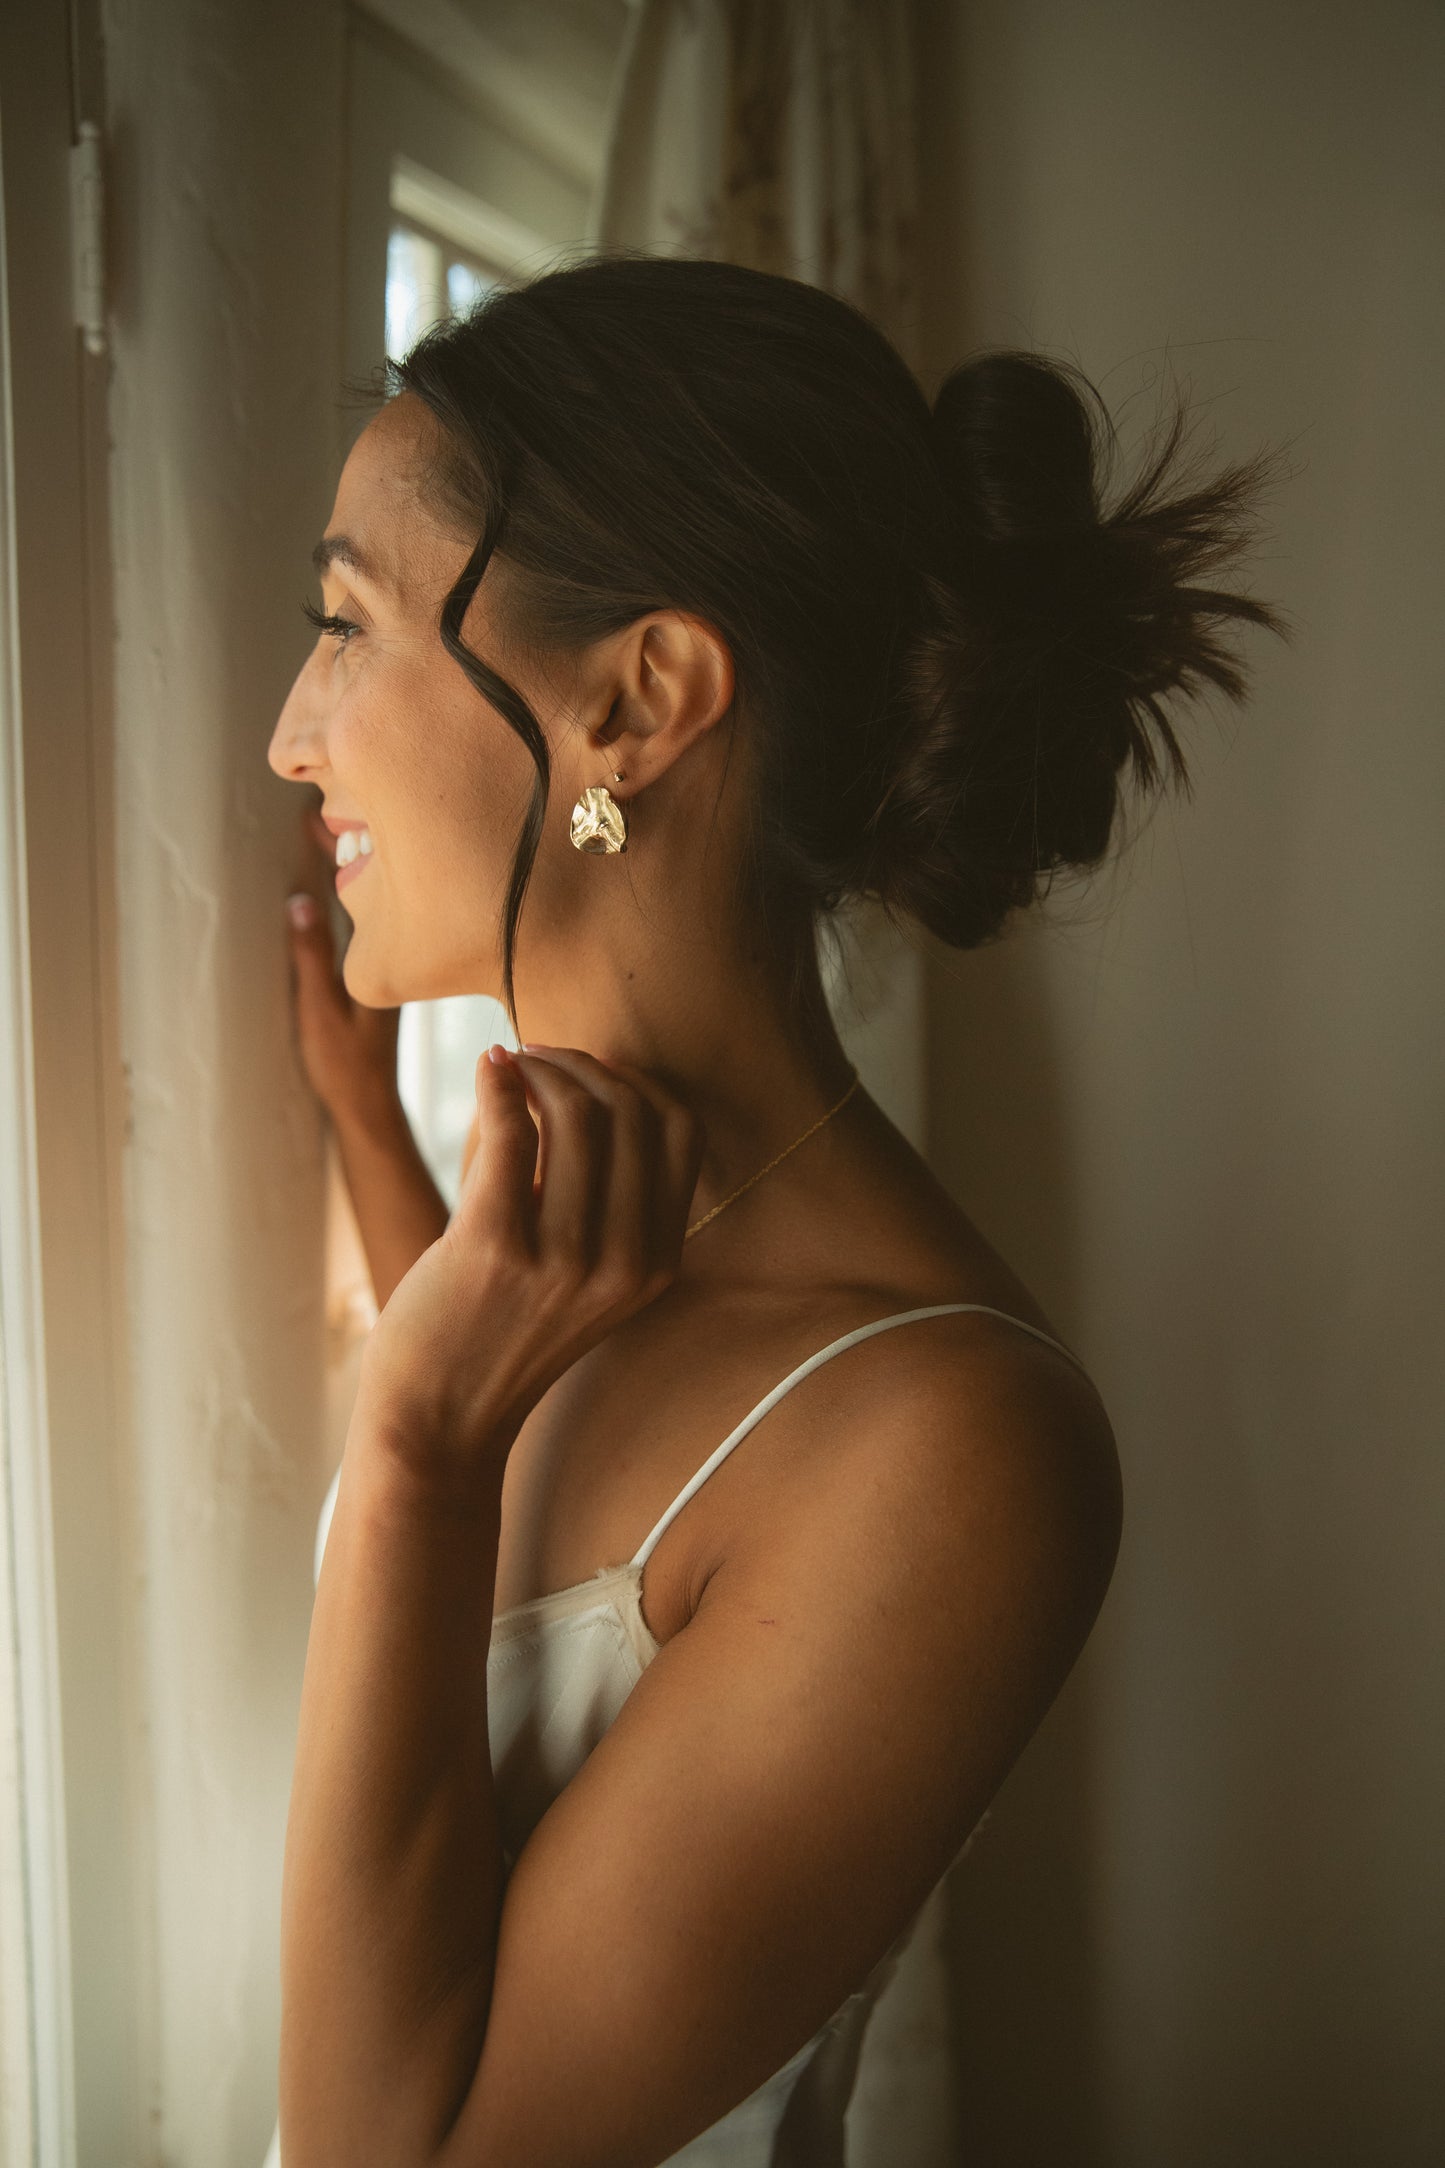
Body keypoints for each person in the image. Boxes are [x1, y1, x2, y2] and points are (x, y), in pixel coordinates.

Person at [262, 253, 1286, 2167]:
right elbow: (554, 1520)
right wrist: (359, 1128)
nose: (289, 737)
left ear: (639, 704)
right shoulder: (569, 1248)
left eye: (343, 623)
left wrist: (400, 1441)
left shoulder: (956, 1449)